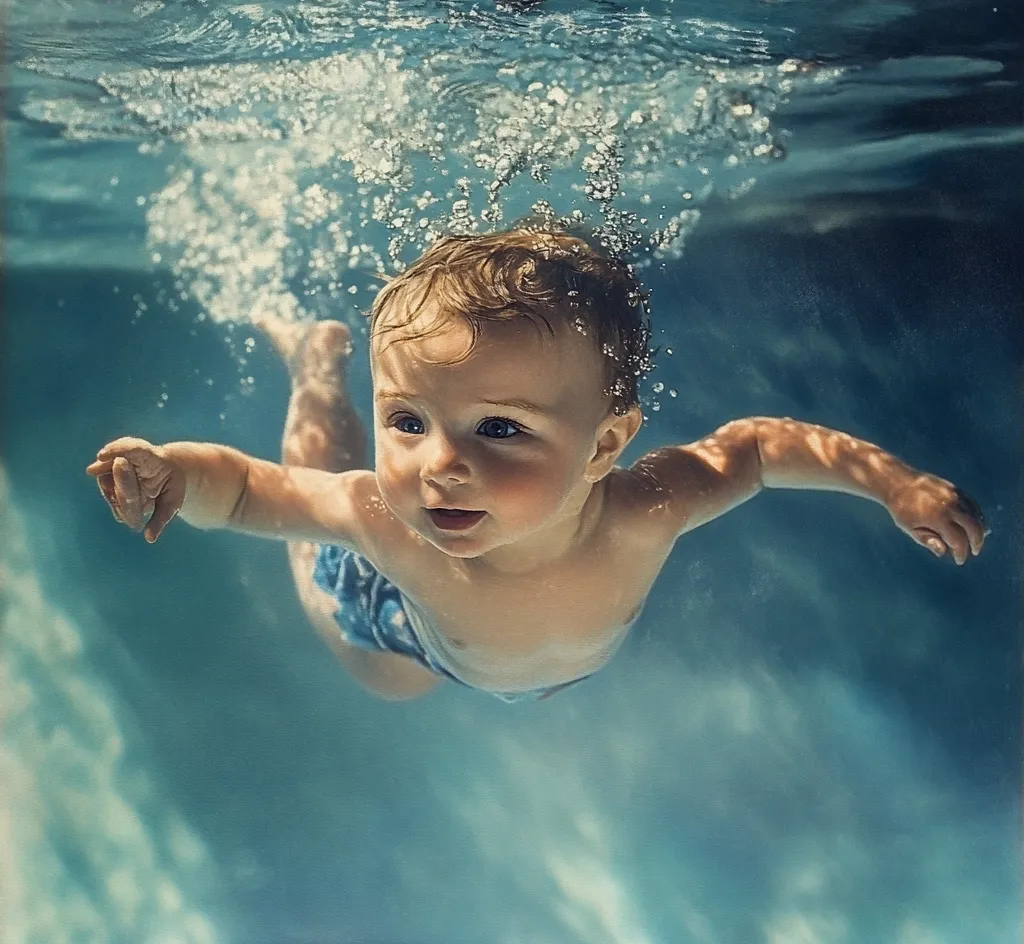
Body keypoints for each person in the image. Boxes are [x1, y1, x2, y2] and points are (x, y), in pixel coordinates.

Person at [87, 229, 986, 703]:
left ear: (605, 446)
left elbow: (754, 449)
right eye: (407, 420)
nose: (441, 465)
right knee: (382, 669)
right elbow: (254, 489)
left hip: (537, 668)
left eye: (500, 429)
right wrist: (178, 473)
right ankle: (317, 370)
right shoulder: (390, 526)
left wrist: (891, 482)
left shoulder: (645, 508)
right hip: (409, 633)